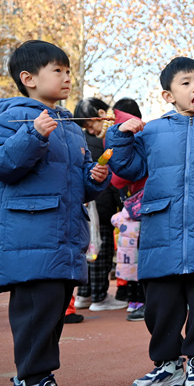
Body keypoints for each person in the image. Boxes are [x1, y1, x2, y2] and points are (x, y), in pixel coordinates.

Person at [0, 40, 110, 386]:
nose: (67, 77)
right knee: (36, 314)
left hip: (63, 237)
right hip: (28, 237)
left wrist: (94, 179)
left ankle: (26, 384)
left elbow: (79, 187)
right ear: (28, 78)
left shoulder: (68, 127)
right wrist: (33, 135)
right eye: (58, 70)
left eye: (68, 70)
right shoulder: (13, 118)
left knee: (51, 313)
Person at [107, 57, 194, 386]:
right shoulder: (151, 132)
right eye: (185, 83)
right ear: (168, 95)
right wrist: (120, 136)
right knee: (161, 304)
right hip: (161, 231)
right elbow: (127, 168)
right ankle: (167, 364)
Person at [73, 97, 127, 312]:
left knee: (89, 250)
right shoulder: (103, 142)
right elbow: (113, 180)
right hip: (101, 205)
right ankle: (99, 297)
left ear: (102, 114)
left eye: (91, 125)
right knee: (100, 253)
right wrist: (120, 206)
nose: (92, 130)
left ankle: (84, 295)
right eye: (87, 127)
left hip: (88, 204)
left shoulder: (83, 140)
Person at [109, 97, 148, 321]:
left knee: (135, 257)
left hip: (136, 206)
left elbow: (118, 179)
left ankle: (139, 300)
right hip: (141, 206)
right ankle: (140, 300)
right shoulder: (145, 133)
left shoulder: (135, 135)